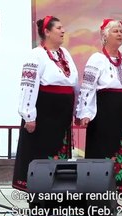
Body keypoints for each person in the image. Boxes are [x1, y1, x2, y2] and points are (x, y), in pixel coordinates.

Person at [13, 16, 78, 190]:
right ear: (47, 32)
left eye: (63, 27)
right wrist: (28, 115)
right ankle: (38, 193)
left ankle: (58, 190)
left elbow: (74, 83)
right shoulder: (36, 55)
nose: (63, 30)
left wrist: (77, 110)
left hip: (61, 114)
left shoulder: (66, 55)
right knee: (40, 151)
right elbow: (28, 86)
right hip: (44, 112)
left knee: (59, 152)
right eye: (58, 28)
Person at [75, 19, 122, 193]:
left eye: (121, 31)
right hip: (103, 113)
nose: (119, 34)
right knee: (103, 149)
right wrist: (84, 112)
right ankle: (98, 192)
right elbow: (88, 87)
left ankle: (121, 189)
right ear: (104, 35)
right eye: (115, 31)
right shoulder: (97, 59)